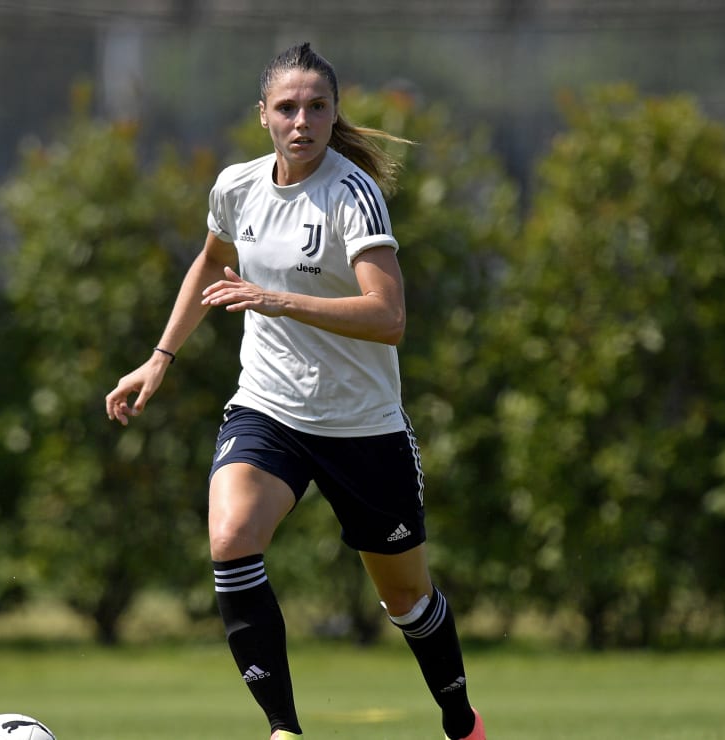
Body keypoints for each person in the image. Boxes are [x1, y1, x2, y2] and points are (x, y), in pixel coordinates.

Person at [104, 42, 486, 740]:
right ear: (263, 116)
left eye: (316, 107)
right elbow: (211, 263)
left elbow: (390, 318)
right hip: (269, 409)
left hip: (362, 426)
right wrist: (159, 358)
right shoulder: (236, 187)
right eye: (287, 108)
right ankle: (284, 730)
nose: (301, 120)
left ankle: (461, 723)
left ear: (335, 113)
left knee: (405, 598)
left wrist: (278, 300)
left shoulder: (351, 194)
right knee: (230, 539)